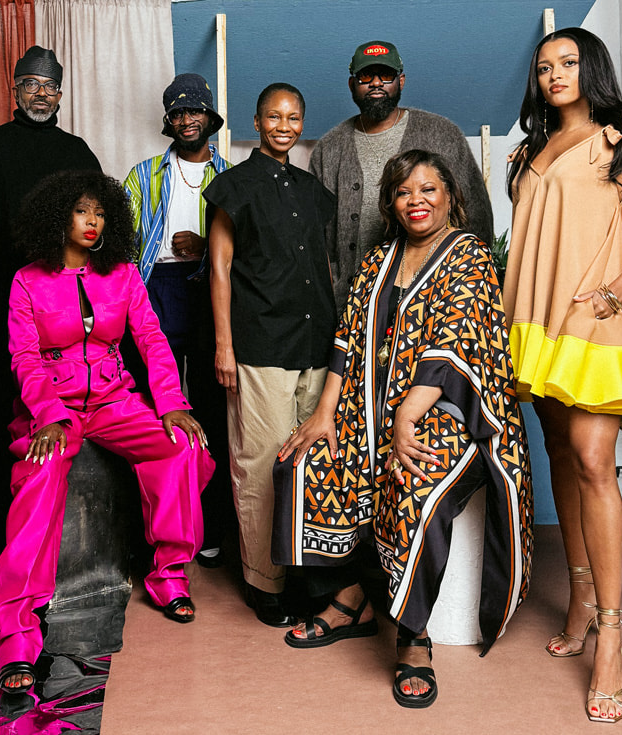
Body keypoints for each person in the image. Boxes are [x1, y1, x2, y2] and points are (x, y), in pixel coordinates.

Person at [276, 150, 532, 709]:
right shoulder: (378, 258)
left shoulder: (469, 254)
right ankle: (350, 597)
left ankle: (414, 636)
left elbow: (455, 346)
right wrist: (324, 413)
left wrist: (404, 417)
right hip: (367, 402)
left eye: (428, 189)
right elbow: (347, 339)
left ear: (451, 196)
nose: (415, 200)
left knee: (416, 483)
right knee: (307, 461)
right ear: (391, 203)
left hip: (447, 407)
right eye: (403, 192)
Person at [504, 27, 622, 723]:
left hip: (600, 312)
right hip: (539, 321)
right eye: (545, 65)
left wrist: (614, 290)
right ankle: (580, 595)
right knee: (558, 451)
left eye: (570, 62)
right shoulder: (527, 151)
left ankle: (611, 628)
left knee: (593, 461)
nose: (556, 74)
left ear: (594, 68)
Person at [0, 171, 214, 693]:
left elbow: (152, 340)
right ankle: (16, 636)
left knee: (181, 449)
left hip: (114, 400)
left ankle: (170, 575)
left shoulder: (124, 275)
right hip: (53, 408)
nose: (92, 222)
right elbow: (22, 355)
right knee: (40, 480)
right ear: (58, 216)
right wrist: (46, 415)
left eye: (101, 213)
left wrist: (172, 404)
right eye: (82, 211)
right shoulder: (26, 280)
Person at [0, 46, 102, 560]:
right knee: (0, 404)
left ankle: (55, 524)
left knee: (50, 402)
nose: (41, 92)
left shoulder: (78, 151)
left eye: (49, 85)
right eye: (31, 83)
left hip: (59, 305)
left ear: (60, 93)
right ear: (14, 89)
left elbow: (95, 229)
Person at [205, 83, 336, 627]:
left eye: (294, 116)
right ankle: (263, 580)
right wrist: (224, 347)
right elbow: (219, 267)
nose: (284, 125)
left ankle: (306, 569)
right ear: (255, 122)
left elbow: (321, 267)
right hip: (260, 345)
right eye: (274, 116)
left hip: (315, 344)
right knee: (259, 462)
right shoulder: (232, 186)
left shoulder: (312, 189)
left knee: (312, 463)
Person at [123, 73, 233, 569]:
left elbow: (245, 252)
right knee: (155, 411)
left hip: (211, 297)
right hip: (156, 293)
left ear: (210, 117)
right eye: (178, 112)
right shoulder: (142, 175)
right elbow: (119, 242)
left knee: (211, 410)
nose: (187, 119)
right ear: (169, 121)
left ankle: (207, 527)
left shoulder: (232, 178)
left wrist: (206, 249)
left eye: (195, 111)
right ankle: (155, 531)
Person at [310, 40, 493, 311]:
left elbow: (477, 221)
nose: (375, 83)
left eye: (385, 75)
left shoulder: (442, 134)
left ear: (401, 81)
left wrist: (464, 287)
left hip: (435, 302)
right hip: (352, 307)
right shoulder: (329, 148)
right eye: (365, 76)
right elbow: (317, 236)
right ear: (352, 85)